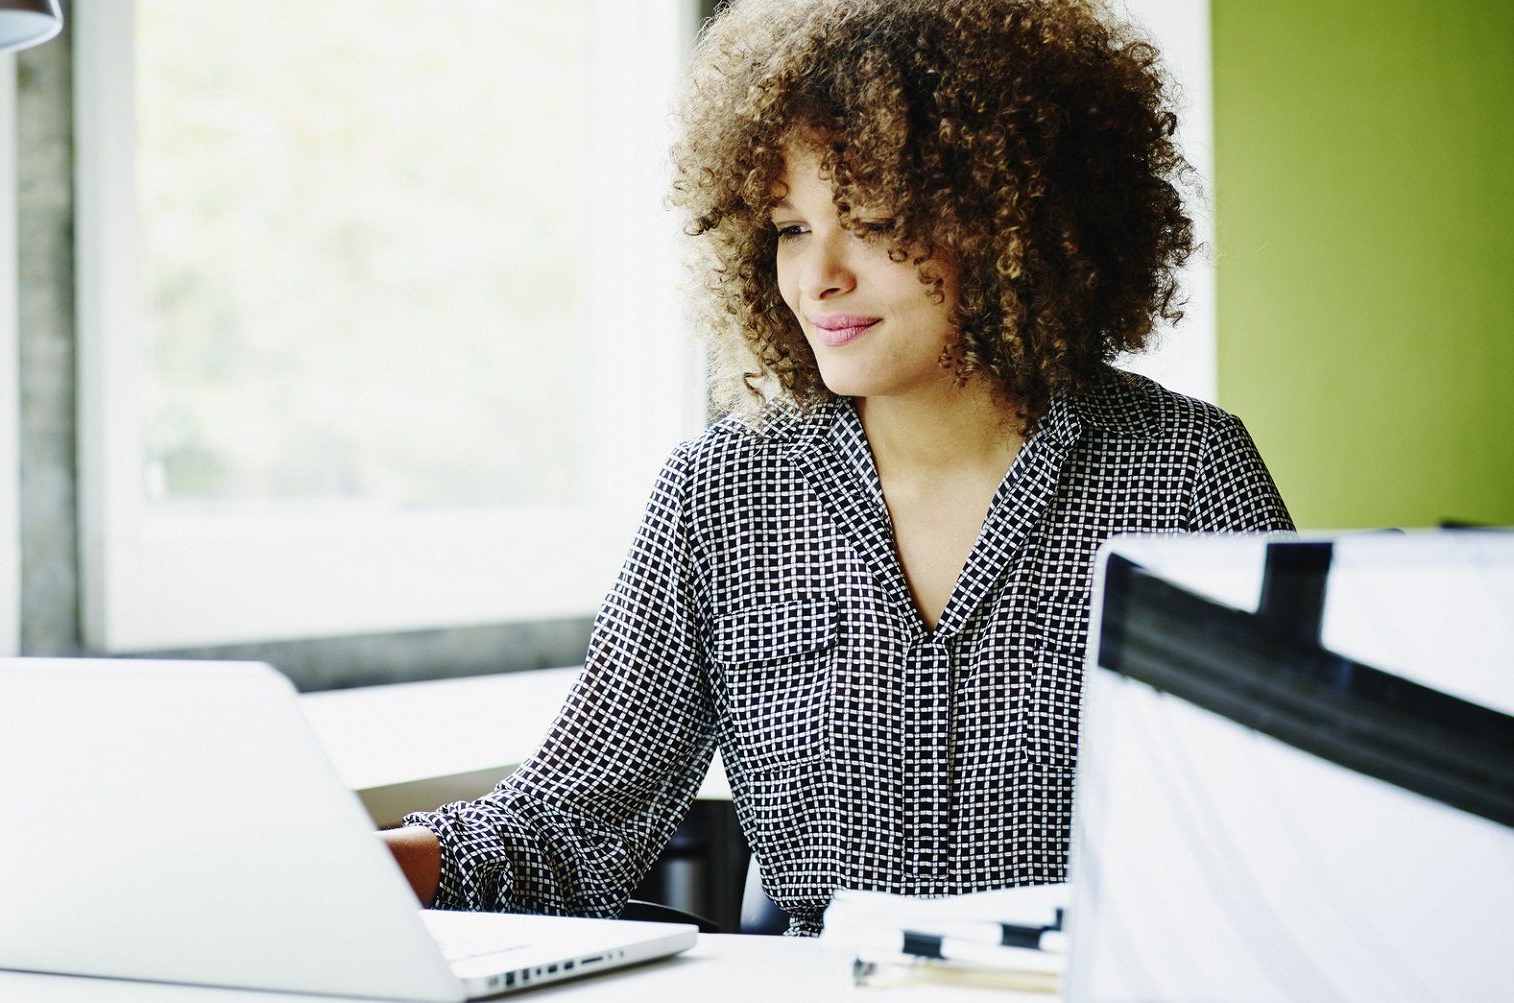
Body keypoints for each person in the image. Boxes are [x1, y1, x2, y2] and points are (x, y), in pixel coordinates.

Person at [381, 0, 1292, 936]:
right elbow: (569, 821)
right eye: (787, 226)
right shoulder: (721, 494)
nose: (817, 276)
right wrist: (355, 859)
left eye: (873, 219)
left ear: (1012, 220)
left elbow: (1289, 822)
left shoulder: (1188, 473)